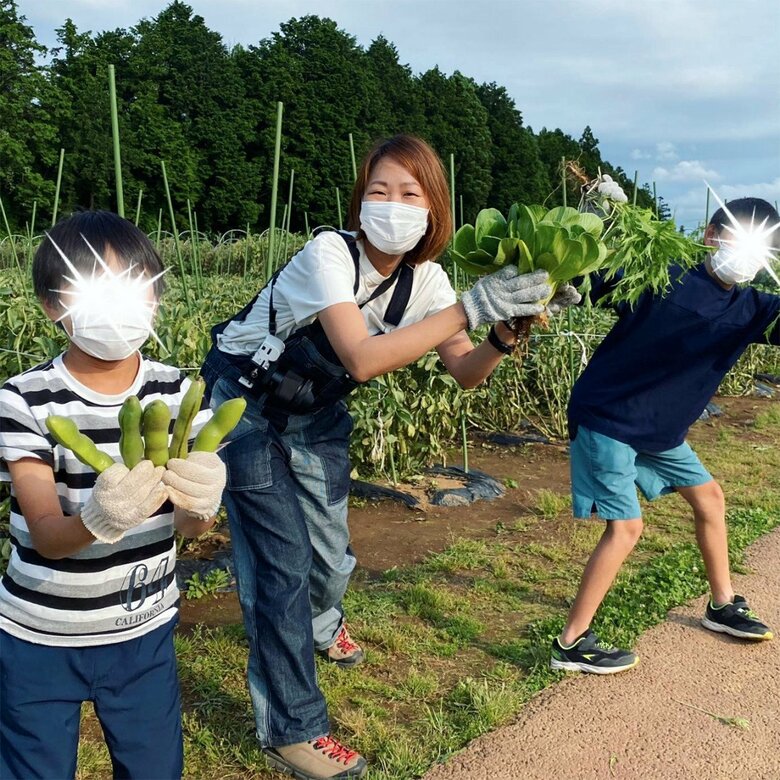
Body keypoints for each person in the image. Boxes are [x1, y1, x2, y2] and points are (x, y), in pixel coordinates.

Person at [200, 133, 578, 779]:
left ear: (433, 209)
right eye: (379, 191)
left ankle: (322, 622)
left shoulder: (426, 280)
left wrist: (502, 333)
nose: (393, 205)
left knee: (330, 553)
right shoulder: (329, 253)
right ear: (359, 202)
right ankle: (293, 730)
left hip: (315, 414)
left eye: (410, 193)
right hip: (247, 407)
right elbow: (362, 358)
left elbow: (464, 371)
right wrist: (472, 303)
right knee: (280, 568)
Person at [0, 211, 226, 779]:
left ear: (154, 294)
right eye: (94, 284)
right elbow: (49, 537)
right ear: (55, 305)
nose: (117, 301)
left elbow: (188, 527)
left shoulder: (178, 392)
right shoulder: (23, 400)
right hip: (39, 635)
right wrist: (101, 516)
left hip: (142, 631)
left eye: (133, 282)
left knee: (153, 770)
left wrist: (202, 506)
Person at [551, 197, 780, 675]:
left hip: (661, 431)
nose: (749, 254)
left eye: (764, 246)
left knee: (711, 500)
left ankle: (722, 605)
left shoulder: (755, 308)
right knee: (627, 528)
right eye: (738, 237)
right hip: (609, 417)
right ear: (710, 235)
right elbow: (585, 279)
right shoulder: (662, 274)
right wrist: (578, 247)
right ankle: (571, 643)